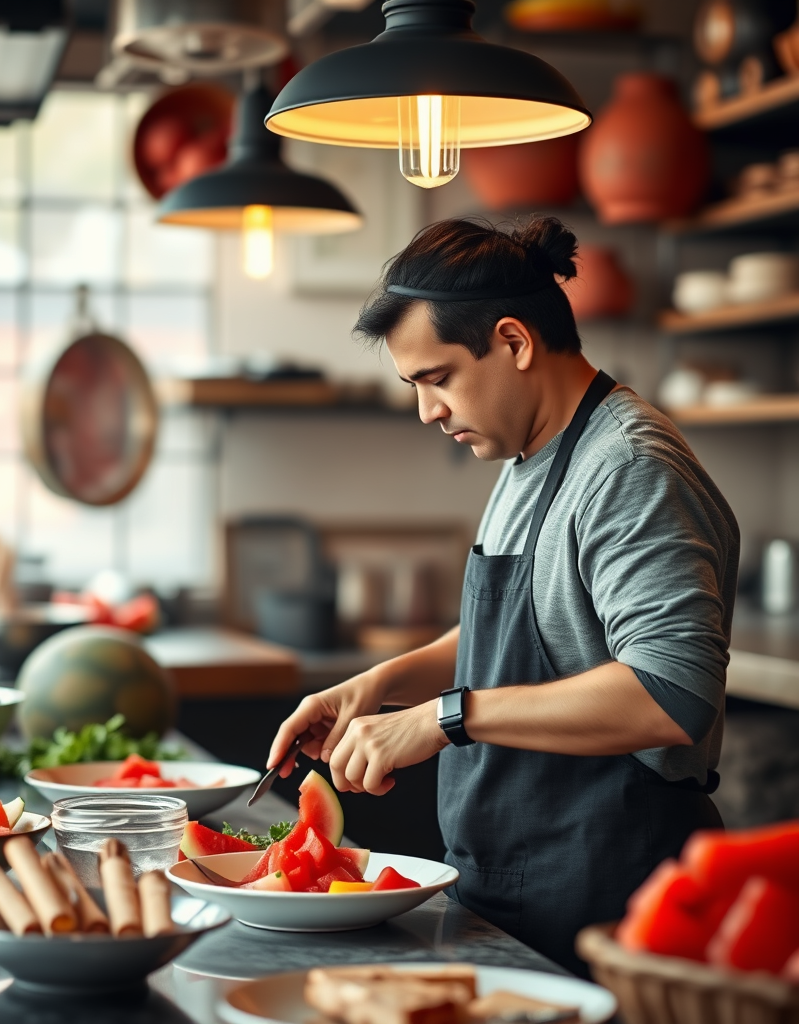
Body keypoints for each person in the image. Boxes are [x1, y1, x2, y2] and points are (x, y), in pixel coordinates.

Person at [266, 216, 739, 974]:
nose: (427, 411)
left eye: (438, 378)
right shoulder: (529, 456)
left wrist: (444, 718)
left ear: (514, 342)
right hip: (513, 885)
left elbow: (671, 693)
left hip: (605, 892)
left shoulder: (628, 467)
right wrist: (380, 686)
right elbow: (532, 632)